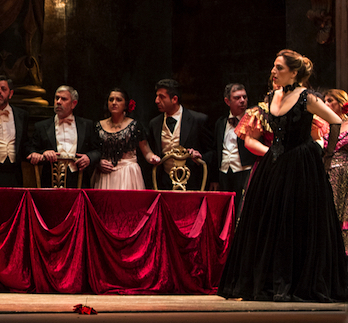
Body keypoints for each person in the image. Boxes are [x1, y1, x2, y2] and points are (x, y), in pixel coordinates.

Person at [218, 50, 348, 302]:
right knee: (269, 220)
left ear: (294, 72)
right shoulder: (272, 96)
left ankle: (298, 281)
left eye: (279, 67)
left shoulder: (307, 97)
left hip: (301, 164)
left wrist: (327, 155)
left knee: (298, 220)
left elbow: (334, 121)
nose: (273, 72)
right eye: (274, 66)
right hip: (275, 163)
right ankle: (269, 281)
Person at [24, 86, 99, 188]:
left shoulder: (87, 125)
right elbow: (30, 148)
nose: (58, 102)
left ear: (73, 104)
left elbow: (97, 150)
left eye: (63, 99)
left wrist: (89, 158)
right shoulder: (41, 126)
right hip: (50, 180)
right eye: (57, 98)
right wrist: (43, 153)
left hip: (78, 178)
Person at [146, 79, 209, 190]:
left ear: (174, 99)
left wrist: (200, 156)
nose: (156, 101)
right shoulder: (154, 124)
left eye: (162, 97)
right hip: (164, 182)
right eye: (157, 96)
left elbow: (212, 152)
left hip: (192, 182)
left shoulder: (198, 120)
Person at [91, 88, 160, 189]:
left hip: (128, 173)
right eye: (111, 99)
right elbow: (93, 151)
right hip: (105, 174)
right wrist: (98, 163)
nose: (114, 103)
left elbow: (147, 151)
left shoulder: (134, 126)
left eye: (118, 100)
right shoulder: (98, 126)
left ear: (126, 104)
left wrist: (153, 157)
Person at [205, 84, 255, 217]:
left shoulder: (252, 120)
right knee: (225, 212)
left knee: (243, 212)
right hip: (224, 173)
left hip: (244, 172)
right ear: (227, 101)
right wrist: (214, 178)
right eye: (237, 98)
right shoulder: (220, 123)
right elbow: (216, 151)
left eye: (244, 97)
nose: (242, 101)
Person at [323, 88, 348, 250]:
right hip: (326, 171)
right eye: (324, 101)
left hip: (345, 172)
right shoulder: (321, 125)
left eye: (330, 101)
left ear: (341, 103)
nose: (326, 104)